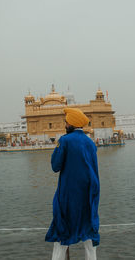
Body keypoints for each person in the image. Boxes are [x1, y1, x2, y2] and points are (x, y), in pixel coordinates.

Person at [45, 108, 100, 260]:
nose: (65, 124)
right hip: (88, 196)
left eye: (66, 122)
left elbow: (55, 166)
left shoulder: (65, 140)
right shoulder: (90, 143)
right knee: (89, 239)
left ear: (71, 123)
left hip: (68, 196)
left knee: (62, 235)